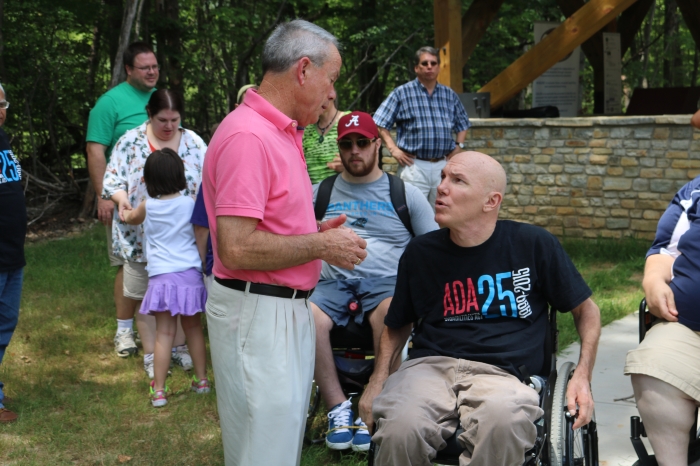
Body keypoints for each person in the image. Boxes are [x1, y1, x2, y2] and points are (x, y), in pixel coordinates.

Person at [358, 151, 601, 466]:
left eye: (457, 181)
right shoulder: (421, 253)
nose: (442, 187)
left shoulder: (533, 244)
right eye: (444, 177)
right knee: (399, 429)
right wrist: (377, 380)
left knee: (502, 423)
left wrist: (581, 376)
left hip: (505, 375)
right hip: (429, 369)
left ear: (491, 201)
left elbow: (587, 311)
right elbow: (398, 323)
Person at [201, 19, 367, 466]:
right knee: (264, 452)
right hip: (257, 313)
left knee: (276, 447)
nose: (332, 94)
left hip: (280, 309)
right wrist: (318, 247)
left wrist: (312, 233)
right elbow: (235, 247)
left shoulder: (281, 131)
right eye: (331, 80)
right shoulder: (248, 137)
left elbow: (266, 223)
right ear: (303, 70)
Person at [311, 110, 438, 452]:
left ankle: (379, 404)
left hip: (386, 283)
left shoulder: (404, 194)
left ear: (377, 145)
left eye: (363, 143)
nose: (355, 151)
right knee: (307, 317)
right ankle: (338, 407)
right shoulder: (318, 193)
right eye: (347, 144)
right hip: (330, 285)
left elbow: (435, 249)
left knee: (392, 314)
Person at [103, 89, 206, 379]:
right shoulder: (130, 141)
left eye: (175, 119)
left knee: (182, 304)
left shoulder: (195, 142)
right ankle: (152, 354)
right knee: (147, 300)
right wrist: (122, 200)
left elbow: (212, 178)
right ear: (149, 113)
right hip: (139, 242)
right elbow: (112, 180)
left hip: (183, 246)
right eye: (163, 119)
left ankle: (178, 349)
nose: (169, 126)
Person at [624, 155, 700, 464]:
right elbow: (664, 250)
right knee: (653, 367)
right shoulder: (694, 193)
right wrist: (653, 278)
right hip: (689, 328)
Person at [120, 149, 210, 408]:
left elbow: (130, 218)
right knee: (193, 329)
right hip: (190, 275)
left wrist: (124, 209)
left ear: (148, 180)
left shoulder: (148, 206)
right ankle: (202, 380)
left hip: (161, 278)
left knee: (164, 334)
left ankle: (159, 390)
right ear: (180, 176)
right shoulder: (189, 204)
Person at [86, 42, 159, 358]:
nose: (152, 72)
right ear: (129, 70)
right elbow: (95, 149)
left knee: (157, 265)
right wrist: (105, 195)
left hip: (159, 202)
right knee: (127, 264)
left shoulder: (160, 100)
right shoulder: (110, 103)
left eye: (155, 66)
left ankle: (155, 327)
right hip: (124, 201)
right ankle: (124, 332)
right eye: (145, 68)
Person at [373, 46, 471, 207]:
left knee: (441, 212)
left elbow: (463, 123)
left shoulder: (449, 94)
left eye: (433, 63)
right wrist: (393, 149)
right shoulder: (402, 93)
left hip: (443, 165)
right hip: (414, 166)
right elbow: (379, 122)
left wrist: (459, 145)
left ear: (439, 67)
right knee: (411, 211)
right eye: (425, 63)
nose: (429, 66)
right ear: (416, 68)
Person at [0, 83, 25, 423]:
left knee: (6, 322)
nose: (0, 109)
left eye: (3, 103)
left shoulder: (3, 140)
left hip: (12, 254)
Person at [303, 97, 347, 183]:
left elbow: (369, 159)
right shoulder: (305, 129)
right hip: (312, 194)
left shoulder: (350, 121)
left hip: (345, 192)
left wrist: (350, 165)